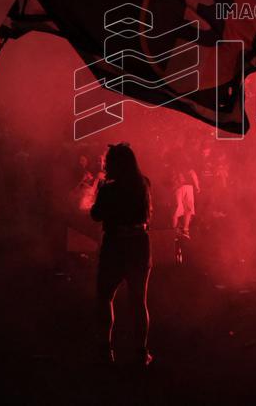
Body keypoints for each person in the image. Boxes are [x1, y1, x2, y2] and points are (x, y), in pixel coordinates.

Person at [90, 143, 152, 367]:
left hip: (115, 244)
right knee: (138, 301)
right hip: (138, 244)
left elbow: (96, 215)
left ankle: (105, 351)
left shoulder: (109, 188)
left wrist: (100, 191)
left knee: (105, 297)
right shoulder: (143, 184)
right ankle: (140, 353)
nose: (105, 164)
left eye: (108, 161)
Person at [169, 148, 199, 238]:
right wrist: (197, 186)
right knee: (188, 209)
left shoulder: (174, 163)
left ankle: (175, 230)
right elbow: (193, 174)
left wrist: (174, 187)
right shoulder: (187, 163)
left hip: (179, 188)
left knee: (178, 209)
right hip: (188, 187)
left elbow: (173, 178)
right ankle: (185, 229)